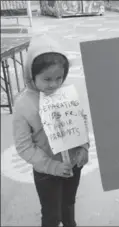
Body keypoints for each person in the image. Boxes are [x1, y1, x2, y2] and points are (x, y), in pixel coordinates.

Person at [12, 36, 89, 227]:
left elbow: (81, 122)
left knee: (69, 206)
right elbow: (24, 146)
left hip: (73, 165)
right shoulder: (23, 105)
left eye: (59, 78)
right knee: (51, 215)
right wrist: (51, 166)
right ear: (31, 75)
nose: (53, 84)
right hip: (46, 172)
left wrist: (84, 148)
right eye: (46, 79)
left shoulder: (67, 95)